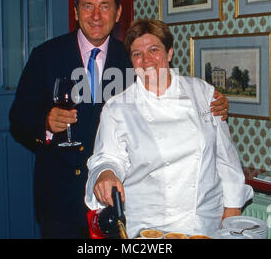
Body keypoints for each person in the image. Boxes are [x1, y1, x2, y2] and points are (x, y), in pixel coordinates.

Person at [9, 0, 229, 238]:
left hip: (121, 200)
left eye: (105, 6)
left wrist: (212, 101)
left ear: (117, 12)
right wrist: (44, 123)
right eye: (88, 6)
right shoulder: (46, 56)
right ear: (76, 11)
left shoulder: (133, 57)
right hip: (62, 197)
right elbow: (18, 118)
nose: (96, 15)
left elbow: (171, 93)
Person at [85, 19, 253, 238]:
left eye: (154, 49)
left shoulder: (203, 93)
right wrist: (106, 173)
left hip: (203, 224)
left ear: (170, 52)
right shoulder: (117, 108)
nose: (146, 60)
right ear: (131, 61)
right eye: (137, 54)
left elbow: (226, 158)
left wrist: (232, 212)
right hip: (148, 229)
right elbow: (108, 158)